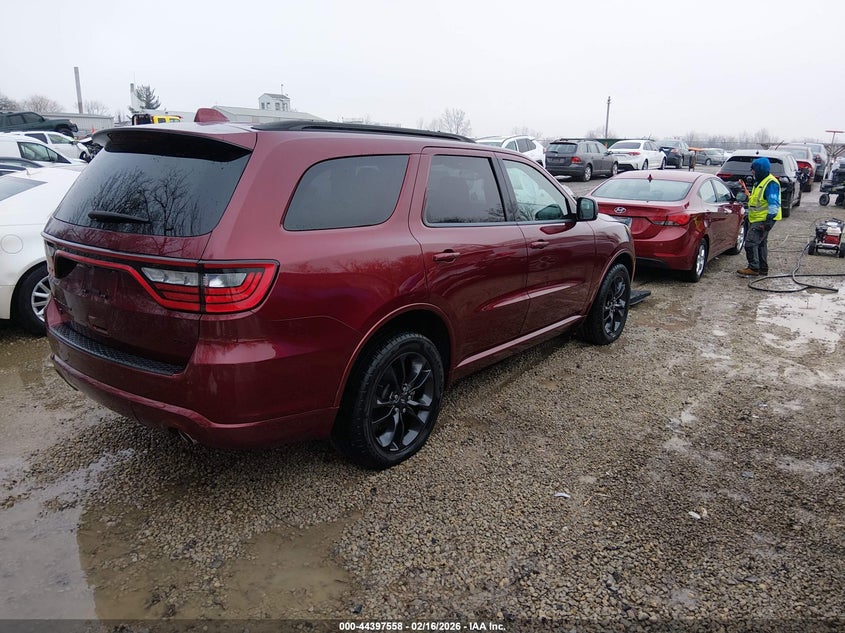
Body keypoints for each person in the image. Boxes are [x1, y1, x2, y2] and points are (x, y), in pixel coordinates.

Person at [737, 157, 781, 276]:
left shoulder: (770, 183)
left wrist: (767, 222)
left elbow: (773, 205)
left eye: (754, 170)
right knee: (761, 243)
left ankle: (754, 267)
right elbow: (758, 200)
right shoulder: (760, 181)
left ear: (760, 170)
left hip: (764, 219)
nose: (752, 172)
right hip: (758, 218)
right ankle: (762, 268)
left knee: (750, 242)